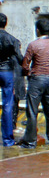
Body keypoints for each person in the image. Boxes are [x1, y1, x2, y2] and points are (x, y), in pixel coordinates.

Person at [20, 18, 49, 148]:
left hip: (37, 78)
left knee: (32, 110)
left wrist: (27, 74)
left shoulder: (33, 45)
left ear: (37, 30)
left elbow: (25, 64)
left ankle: (31, 141)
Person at [0, 13, 23, 147]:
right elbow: (20, 59)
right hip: (6, 71)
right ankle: (8, 140)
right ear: (5, 23)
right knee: (8, 105)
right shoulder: (12, 39)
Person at [12, 42, 26, 133]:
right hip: (15, 84)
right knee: (14, 106)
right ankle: (13, 126)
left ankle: (13, 125)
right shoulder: (17, 57)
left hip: (15, 84)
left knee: (13, 105)